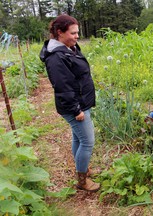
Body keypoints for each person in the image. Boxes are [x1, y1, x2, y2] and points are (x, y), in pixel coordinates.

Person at [39, 14, 100, 192]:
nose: (77, 36)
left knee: (78, 138)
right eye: (73, 33)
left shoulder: (68, 48)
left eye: (77, 32)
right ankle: (82, 180)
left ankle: (82, 168)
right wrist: (76, 110)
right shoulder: (56, 58)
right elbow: (62, 87)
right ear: (60, 32)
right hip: (75, 106)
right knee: (87, 142)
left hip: (80, 102)